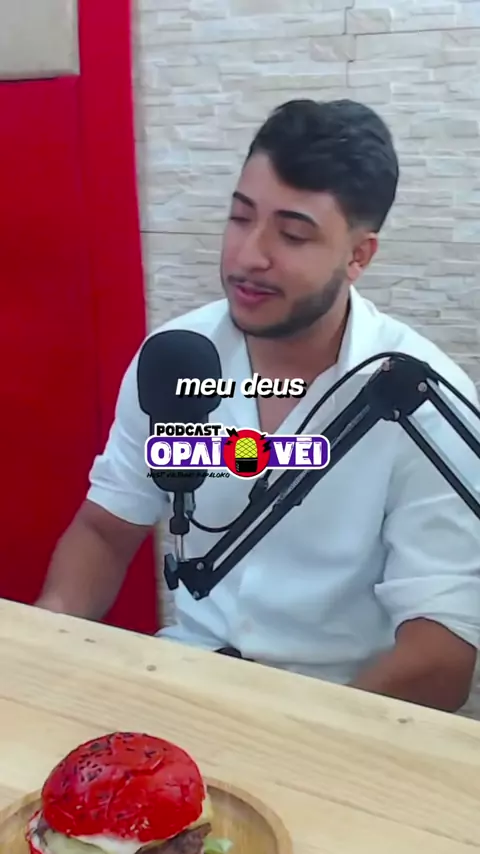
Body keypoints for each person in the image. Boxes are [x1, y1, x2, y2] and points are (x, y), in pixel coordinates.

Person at [36, 98, 480, 713]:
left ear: (358, 256)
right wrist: (43, 644)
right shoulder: (177, 357)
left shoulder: (417, 399)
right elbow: (106, 531)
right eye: (240, 217)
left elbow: (443, 655)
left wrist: (290, 738)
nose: (248, 255)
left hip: (341, 709)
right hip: (185, 677)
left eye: (292, 235)